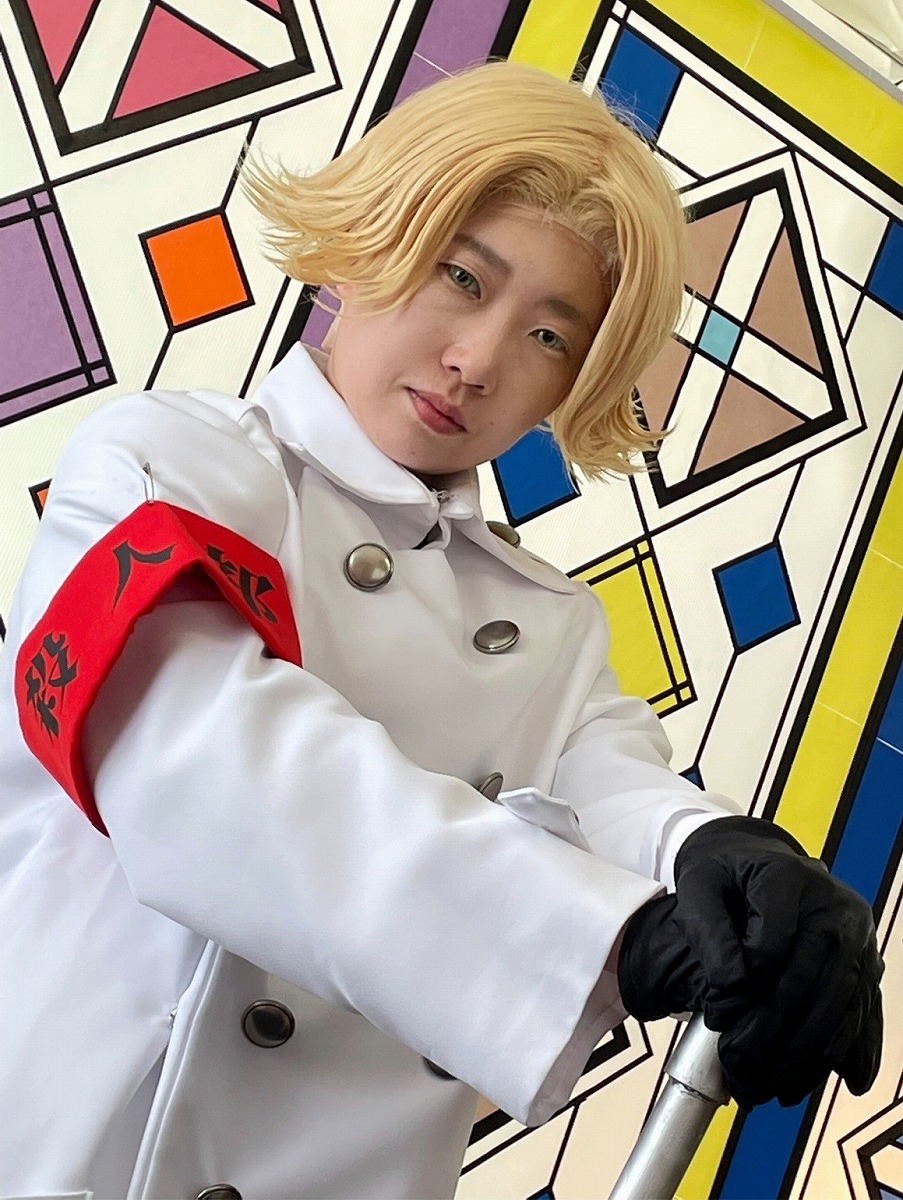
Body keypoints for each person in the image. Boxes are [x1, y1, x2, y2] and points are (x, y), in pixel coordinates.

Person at [0, 60, 881, 1200]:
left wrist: (727, 859)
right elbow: (209, 772)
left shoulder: (549, 628)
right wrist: (614, 943)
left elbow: (613, 791)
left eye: (550, 338)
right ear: (375, 237)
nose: (477, 363)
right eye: (462, 277)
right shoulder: (163, 468)